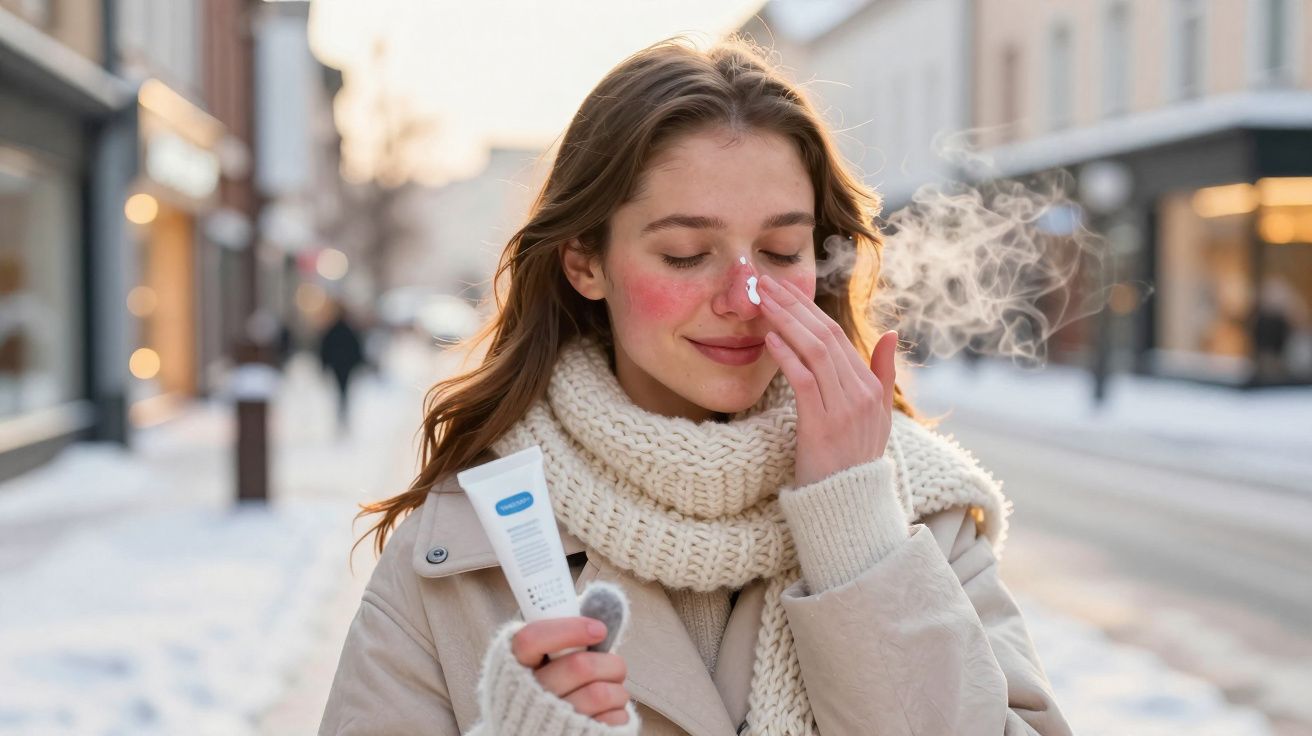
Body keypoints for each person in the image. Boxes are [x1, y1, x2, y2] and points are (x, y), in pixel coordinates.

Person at [320, 36, 1071, 736]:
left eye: (781, 250)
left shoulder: (916, 510)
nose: (745, 297)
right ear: (585, 263)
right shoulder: (464, 549)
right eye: (685, 253)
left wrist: (855, 529)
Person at [317, 299, 366, 434]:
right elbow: (355, 347)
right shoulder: (347, 329)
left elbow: (325, 349)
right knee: (343, 390)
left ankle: (341, 414)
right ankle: (343, 413)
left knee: (341, 389)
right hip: (345, 365)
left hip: (338, 365)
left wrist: (324, 365)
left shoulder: (333, 330)